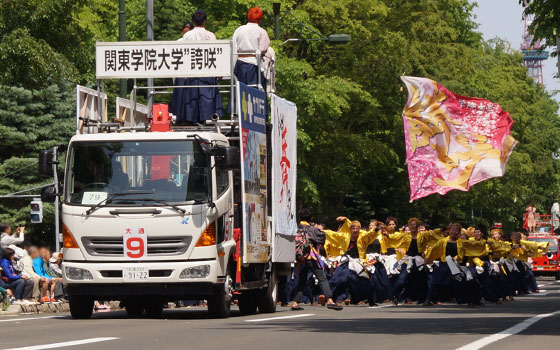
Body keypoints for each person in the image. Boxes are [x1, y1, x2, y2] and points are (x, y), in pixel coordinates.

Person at [171, 10, 224, 125]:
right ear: (205, 21)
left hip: (192, 70)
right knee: (207, 97)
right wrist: (219, 72)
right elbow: (216, 55)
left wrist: (184, 73)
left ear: (193, 21)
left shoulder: (187, 35)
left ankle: (191, 119)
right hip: (208, 71)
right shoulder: (210, 35)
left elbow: (183, 54)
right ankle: (208, 119)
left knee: (191, 96)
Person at [291, 209, 342, 311]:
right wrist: (317, 228)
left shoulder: (295, 228)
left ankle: (295, 302)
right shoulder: (312, 229)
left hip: (300, 258)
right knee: (322, 278)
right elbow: (321, 239)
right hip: (311, 257)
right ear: (311, 218)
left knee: (302, 279)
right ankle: (330, 300)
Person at [232, 6, 270, 90]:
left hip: (240, 64)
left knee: (238, 91)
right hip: (254, 65)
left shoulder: (239, 30)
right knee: (254, 91)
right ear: (260, 18)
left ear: (248, 16)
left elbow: (233, 47)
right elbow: (263, 49)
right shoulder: (262, 32)